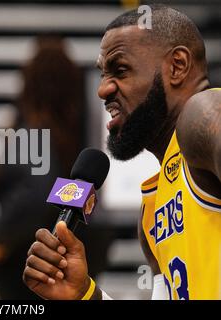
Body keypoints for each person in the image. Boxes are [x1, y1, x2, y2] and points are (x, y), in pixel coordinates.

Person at [23, 5, 221, 300]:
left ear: (177, 66)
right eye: (102, 74)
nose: (102, 90)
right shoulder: (153, 207)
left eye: (120, 70)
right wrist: (86, 294)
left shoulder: (204, 113)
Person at [0, 36, 112, 299]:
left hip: (28, 271)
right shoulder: (85, 137)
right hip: (71, 272)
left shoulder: (35, 133)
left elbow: (36, 193)